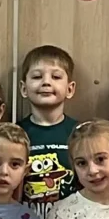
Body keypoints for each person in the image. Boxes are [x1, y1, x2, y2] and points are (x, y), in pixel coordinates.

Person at [17, 46, 80, 207]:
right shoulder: (14, 134)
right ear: (24, 89)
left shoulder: (81, 133)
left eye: (56, 77)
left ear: (70, 89)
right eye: (37, 76)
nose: (46, 82)